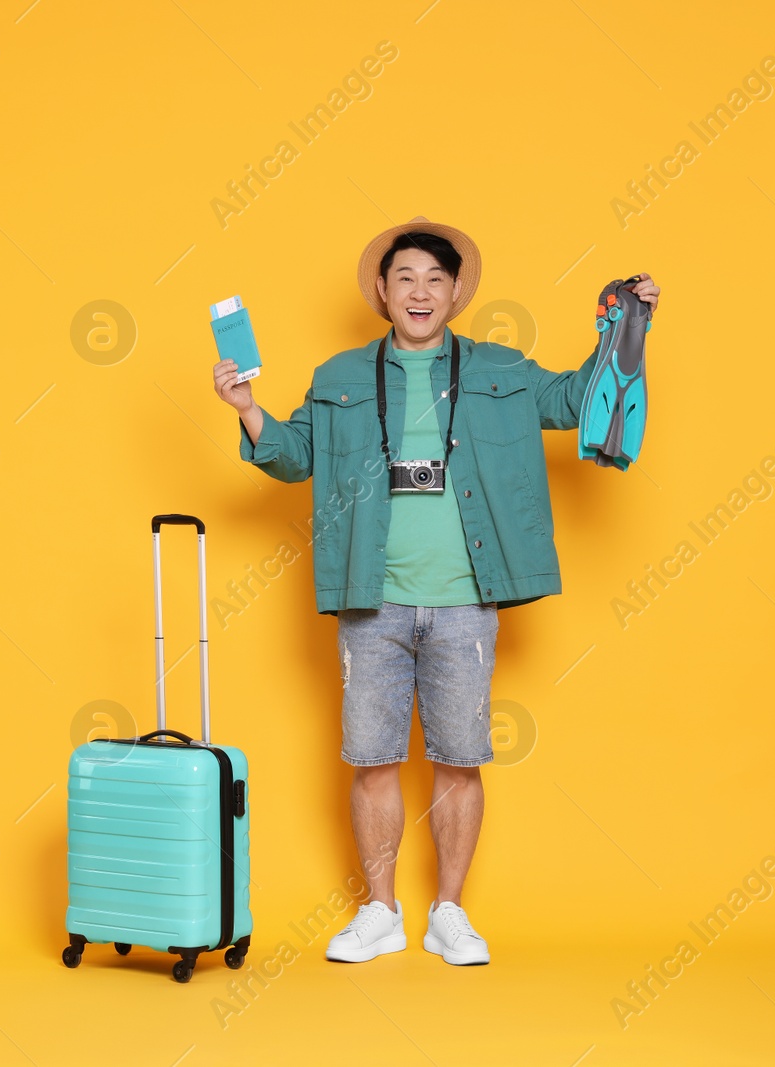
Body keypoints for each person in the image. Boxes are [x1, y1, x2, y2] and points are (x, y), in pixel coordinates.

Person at [211, 217, 660, 965]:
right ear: (382, 291)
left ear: (455, 294)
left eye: (436, 280)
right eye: (406, 278)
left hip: (465, 598)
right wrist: (247, 408)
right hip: (370, 597)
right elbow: (294, 457)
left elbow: (581, 398)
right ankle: (380, 910)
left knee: (459, 756)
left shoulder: (503, 371)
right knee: (372, 757)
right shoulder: (340, 378)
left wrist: (624, 326)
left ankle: (449, 910)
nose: (420, 292)